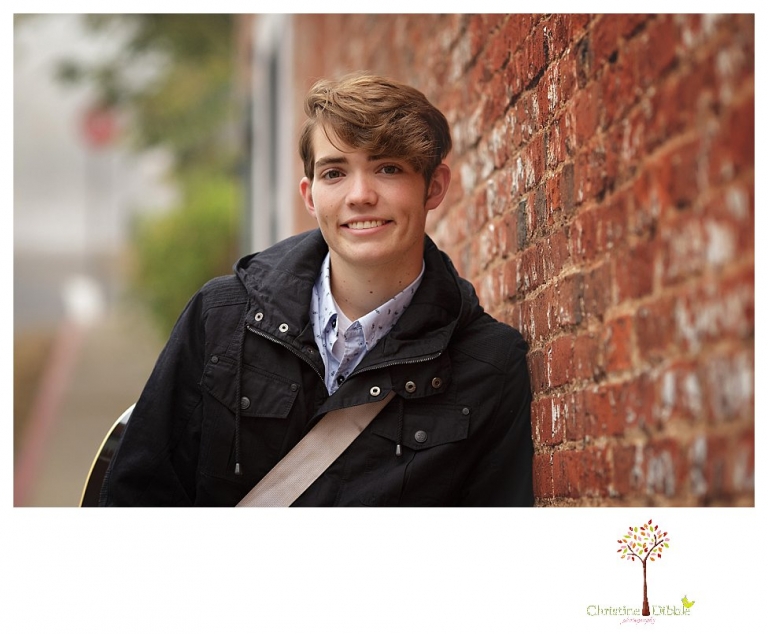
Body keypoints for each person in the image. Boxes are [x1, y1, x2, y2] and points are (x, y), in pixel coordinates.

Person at [100, 72, 533, 506]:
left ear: (434, 187)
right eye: (334, 173)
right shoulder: (220, 318)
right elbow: (134, 500)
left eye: (388, 168)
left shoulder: (489, 367)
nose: (360, 195)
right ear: (310, 196)